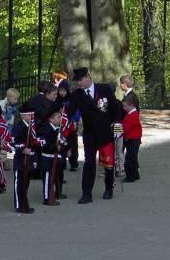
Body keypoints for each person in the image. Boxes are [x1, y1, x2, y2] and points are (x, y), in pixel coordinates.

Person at [67, 67, 123, 203]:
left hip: (106, 133)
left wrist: (117, 125)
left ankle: (108, 189)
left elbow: (116, 109)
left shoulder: (105, 89)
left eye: (80, 80)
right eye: (77, 81)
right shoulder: (76, 95)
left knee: (108, 163)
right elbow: (68, 112)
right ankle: (86, 193)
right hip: (90, 134)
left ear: (88, 77)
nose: (79, 83)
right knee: (89, 164)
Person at [10, 105, 39, 214]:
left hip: (30, 158)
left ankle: (24, 202)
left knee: (26, 182)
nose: (33, 117)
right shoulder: (19, 127)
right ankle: (19, 205)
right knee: (19, 183)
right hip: (20, 159)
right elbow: (13, 142)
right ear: (24, 116)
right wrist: (22, 149)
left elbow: (34, 143)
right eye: (30, 115)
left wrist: (35, 159)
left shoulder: (32, 128)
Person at [37, 104, 67, 205]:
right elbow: (43, 143)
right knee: (47, 178)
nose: (60, 119)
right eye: (58, 117)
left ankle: (52, 194)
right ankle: (47, 198)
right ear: (51, 119)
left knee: (53, 177)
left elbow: (60, 140)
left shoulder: (56, 128)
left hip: (54, 157)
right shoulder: (46, 129)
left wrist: (62, 144)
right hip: (47, 157)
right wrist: (55, 147)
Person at [56, 80, 79, 171]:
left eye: (64, 91)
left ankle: (73, 163)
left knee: (72, 144)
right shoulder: (57, 99)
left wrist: (74, 120)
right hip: (60, 125)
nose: (62, 93)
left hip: (70, 124)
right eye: (60, 90)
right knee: (61, 144)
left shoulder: (71, 99)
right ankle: (62, 163)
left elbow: (76, 110)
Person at [121, 94, 143, 182]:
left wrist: (114, 129)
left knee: (129, 160)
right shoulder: (132, 114)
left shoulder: (132, 115)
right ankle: (135, 175)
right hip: (134, 139)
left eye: (125, 106)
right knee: (133, 159)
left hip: (133, 140)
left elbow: (124, 128)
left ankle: (130, 177)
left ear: (131, 105)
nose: (123, 108)